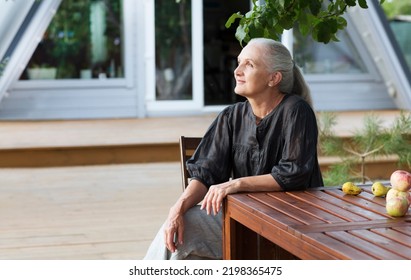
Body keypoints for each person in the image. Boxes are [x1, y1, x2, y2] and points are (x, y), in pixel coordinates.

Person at [143, 38, 323, 260]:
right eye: (239, 63)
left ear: (274, 78)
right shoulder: (231, 116)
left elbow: (293, 173)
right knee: (181, 241)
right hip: (243, 221)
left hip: (290, 227)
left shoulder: (296, 111)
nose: (237, 71)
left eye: (250, 64)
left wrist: (235, 184)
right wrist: (177, 209)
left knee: (185, 239)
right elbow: (205, 172)